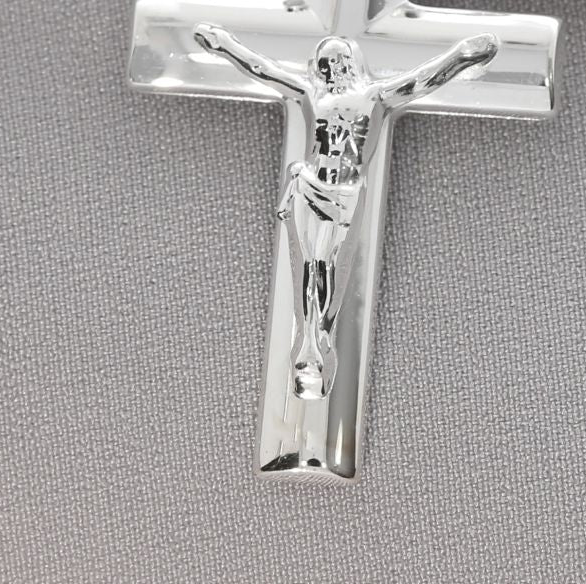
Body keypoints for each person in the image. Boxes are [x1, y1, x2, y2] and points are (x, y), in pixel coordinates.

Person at [194, 24, 498, 399]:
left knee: (327, 265)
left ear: (350, 64)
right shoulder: (312, 95)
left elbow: (421, 80)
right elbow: (264, 70)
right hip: (310, 186)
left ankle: (320, 333)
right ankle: (308, 341)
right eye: (325, 64)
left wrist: (461, 55)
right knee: (308, 265)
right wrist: (224, 46)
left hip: (343, 194)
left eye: (337, 62)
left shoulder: (375, 97)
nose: (331, 70)